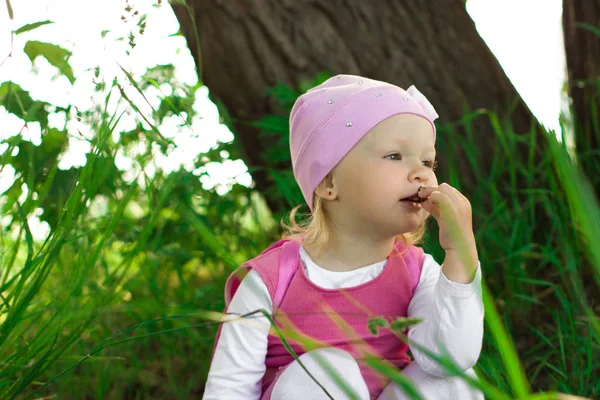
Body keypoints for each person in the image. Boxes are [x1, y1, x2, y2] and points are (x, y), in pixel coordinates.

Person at [202, 74, 485, 400]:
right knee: (326, 369)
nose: (422, 173)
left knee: (450, 380)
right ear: (328, 182)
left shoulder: (417, 270)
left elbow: (450, 360)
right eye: (395, 156)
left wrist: (460, 253)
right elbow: (228, 390)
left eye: (427, 161)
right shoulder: (271, 279)